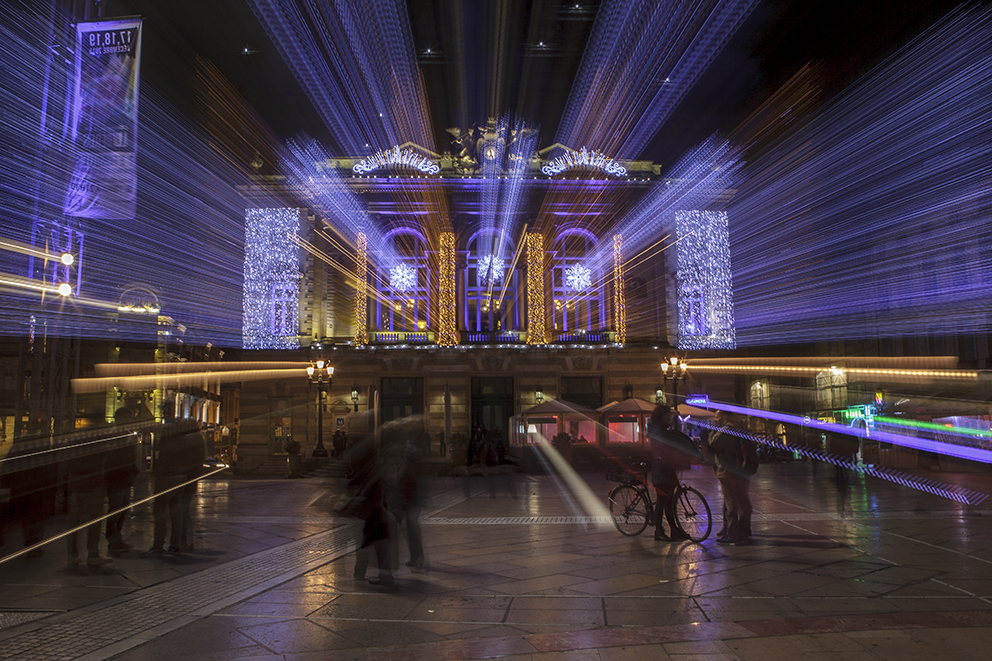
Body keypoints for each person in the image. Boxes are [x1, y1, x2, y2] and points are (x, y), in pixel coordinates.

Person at [143, 403, 200, 557]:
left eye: (163, 412)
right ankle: (175, 545)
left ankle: (158, 545)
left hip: (167, 476)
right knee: (176, 513)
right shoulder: (182, 431)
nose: (162, 415)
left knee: (160, 511)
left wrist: (158, 471)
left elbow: (163, 455)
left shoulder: (168, 429)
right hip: (180, 475)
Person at [702, 410, 757, 546]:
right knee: (742, 499)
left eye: (717, 416)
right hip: (741, 469)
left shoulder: (726, 430)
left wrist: (712, 431)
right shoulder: (740, 428)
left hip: (728, 469)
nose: (715, 419)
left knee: (731, 501)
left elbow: (712, 443)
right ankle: (744, 530)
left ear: (725, 417)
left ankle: (732, 534)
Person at [346, 434, 394, 586]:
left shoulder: (366, 468)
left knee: (368, 543)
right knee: (375, 544)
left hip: (373, 512)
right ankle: (379, 575)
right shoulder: (374, 465)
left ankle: (364, 573)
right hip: (376, 511)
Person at [646, 404, 696, 542]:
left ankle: (674, 530)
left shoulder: (662, 430)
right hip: (661, 470)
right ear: (660, 417)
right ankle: (658, 532)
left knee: (669, 501)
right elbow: (664, 447)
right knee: (662, 501)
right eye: (667, 416)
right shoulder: (657, 431)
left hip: (667, 469)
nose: (669, 419)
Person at [66, 424, 113, 568]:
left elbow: (68, 464)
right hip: (93, 487)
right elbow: (104, 461)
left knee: (74, 523)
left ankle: (72, 555)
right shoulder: (97, 446)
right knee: (94, 522)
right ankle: (93, 554)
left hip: (76, 487)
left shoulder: (74, 445)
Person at [104, 408, 140, 555]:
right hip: (115, 478)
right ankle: (112, 540)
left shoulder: (129, 435)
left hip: (126, 477)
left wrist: (134, 472)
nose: (127, 421)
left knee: (122, 509)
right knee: (115, 509)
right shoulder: (113, 435)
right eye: (124, 418)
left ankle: (117, 538)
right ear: (117, 419)